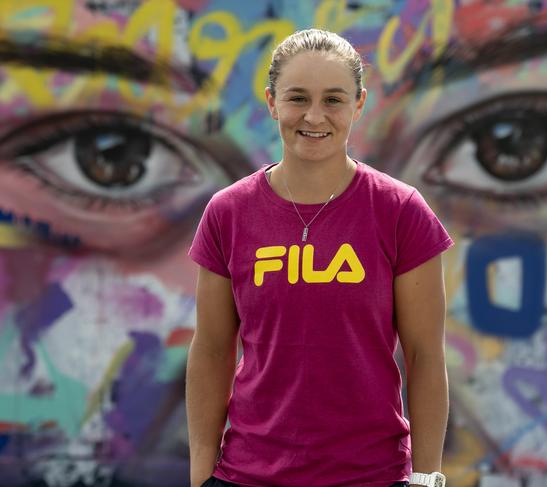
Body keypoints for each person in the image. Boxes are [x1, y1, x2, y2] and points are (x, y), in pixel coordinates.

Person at [186, 28, 454, 487]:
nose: (314, 116)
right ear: (272, 102)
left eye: (333, 99)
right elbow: (211, 349)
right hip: (247, 475)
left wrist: (427, 478)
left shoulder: (401, 211)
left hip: (372, 476)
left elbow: (425, 355)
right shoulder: (228, 212)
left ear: (359, 104)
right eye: (297, 98)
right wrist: (200, 475)